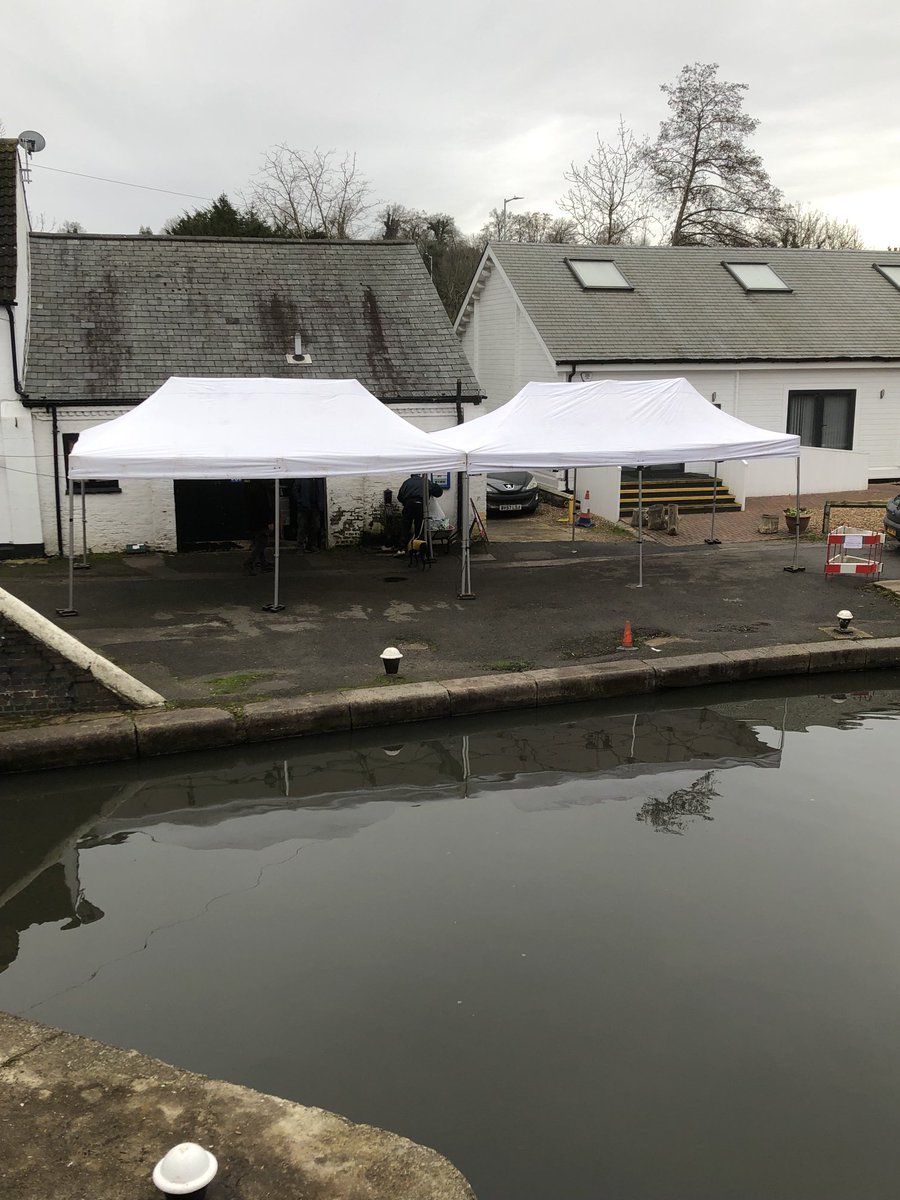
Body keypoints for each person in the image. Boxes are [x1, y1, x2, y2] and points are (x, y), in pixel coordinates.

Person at [396, 474, 444, 555]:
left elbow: (399, 497)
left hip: (409, 505)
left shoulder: (406, 483)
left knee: (405, 527)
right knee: (419, 528)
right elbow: (438, 492)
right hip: (420, 505)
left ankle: (402, 549)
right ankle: (418, 549)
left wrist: (406, 502)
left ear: (412, 475)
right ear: (420, 475)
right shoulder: (426, 481)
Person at [243, 479, 274, 574]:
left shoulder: (251, 487)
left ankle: (263, 562)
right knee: (262, 542)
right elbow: (264, 507)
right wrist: (269, 521)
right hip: (261, 521)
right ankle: (249, 562)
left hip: (254, 520)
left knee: (259, 541)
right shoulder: (260, 490)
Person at [292, 477, 326, 552]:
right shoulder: (302, 477)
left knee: (316, 526)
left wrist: (321, 503)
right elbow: (295, 490)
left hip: (316, 507)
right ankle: (300, 546)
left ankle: (311, 545)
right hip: (304, 507)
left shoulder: (319, 479)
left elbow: (323, 490)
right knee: (302, 526)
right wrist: (300, 501)